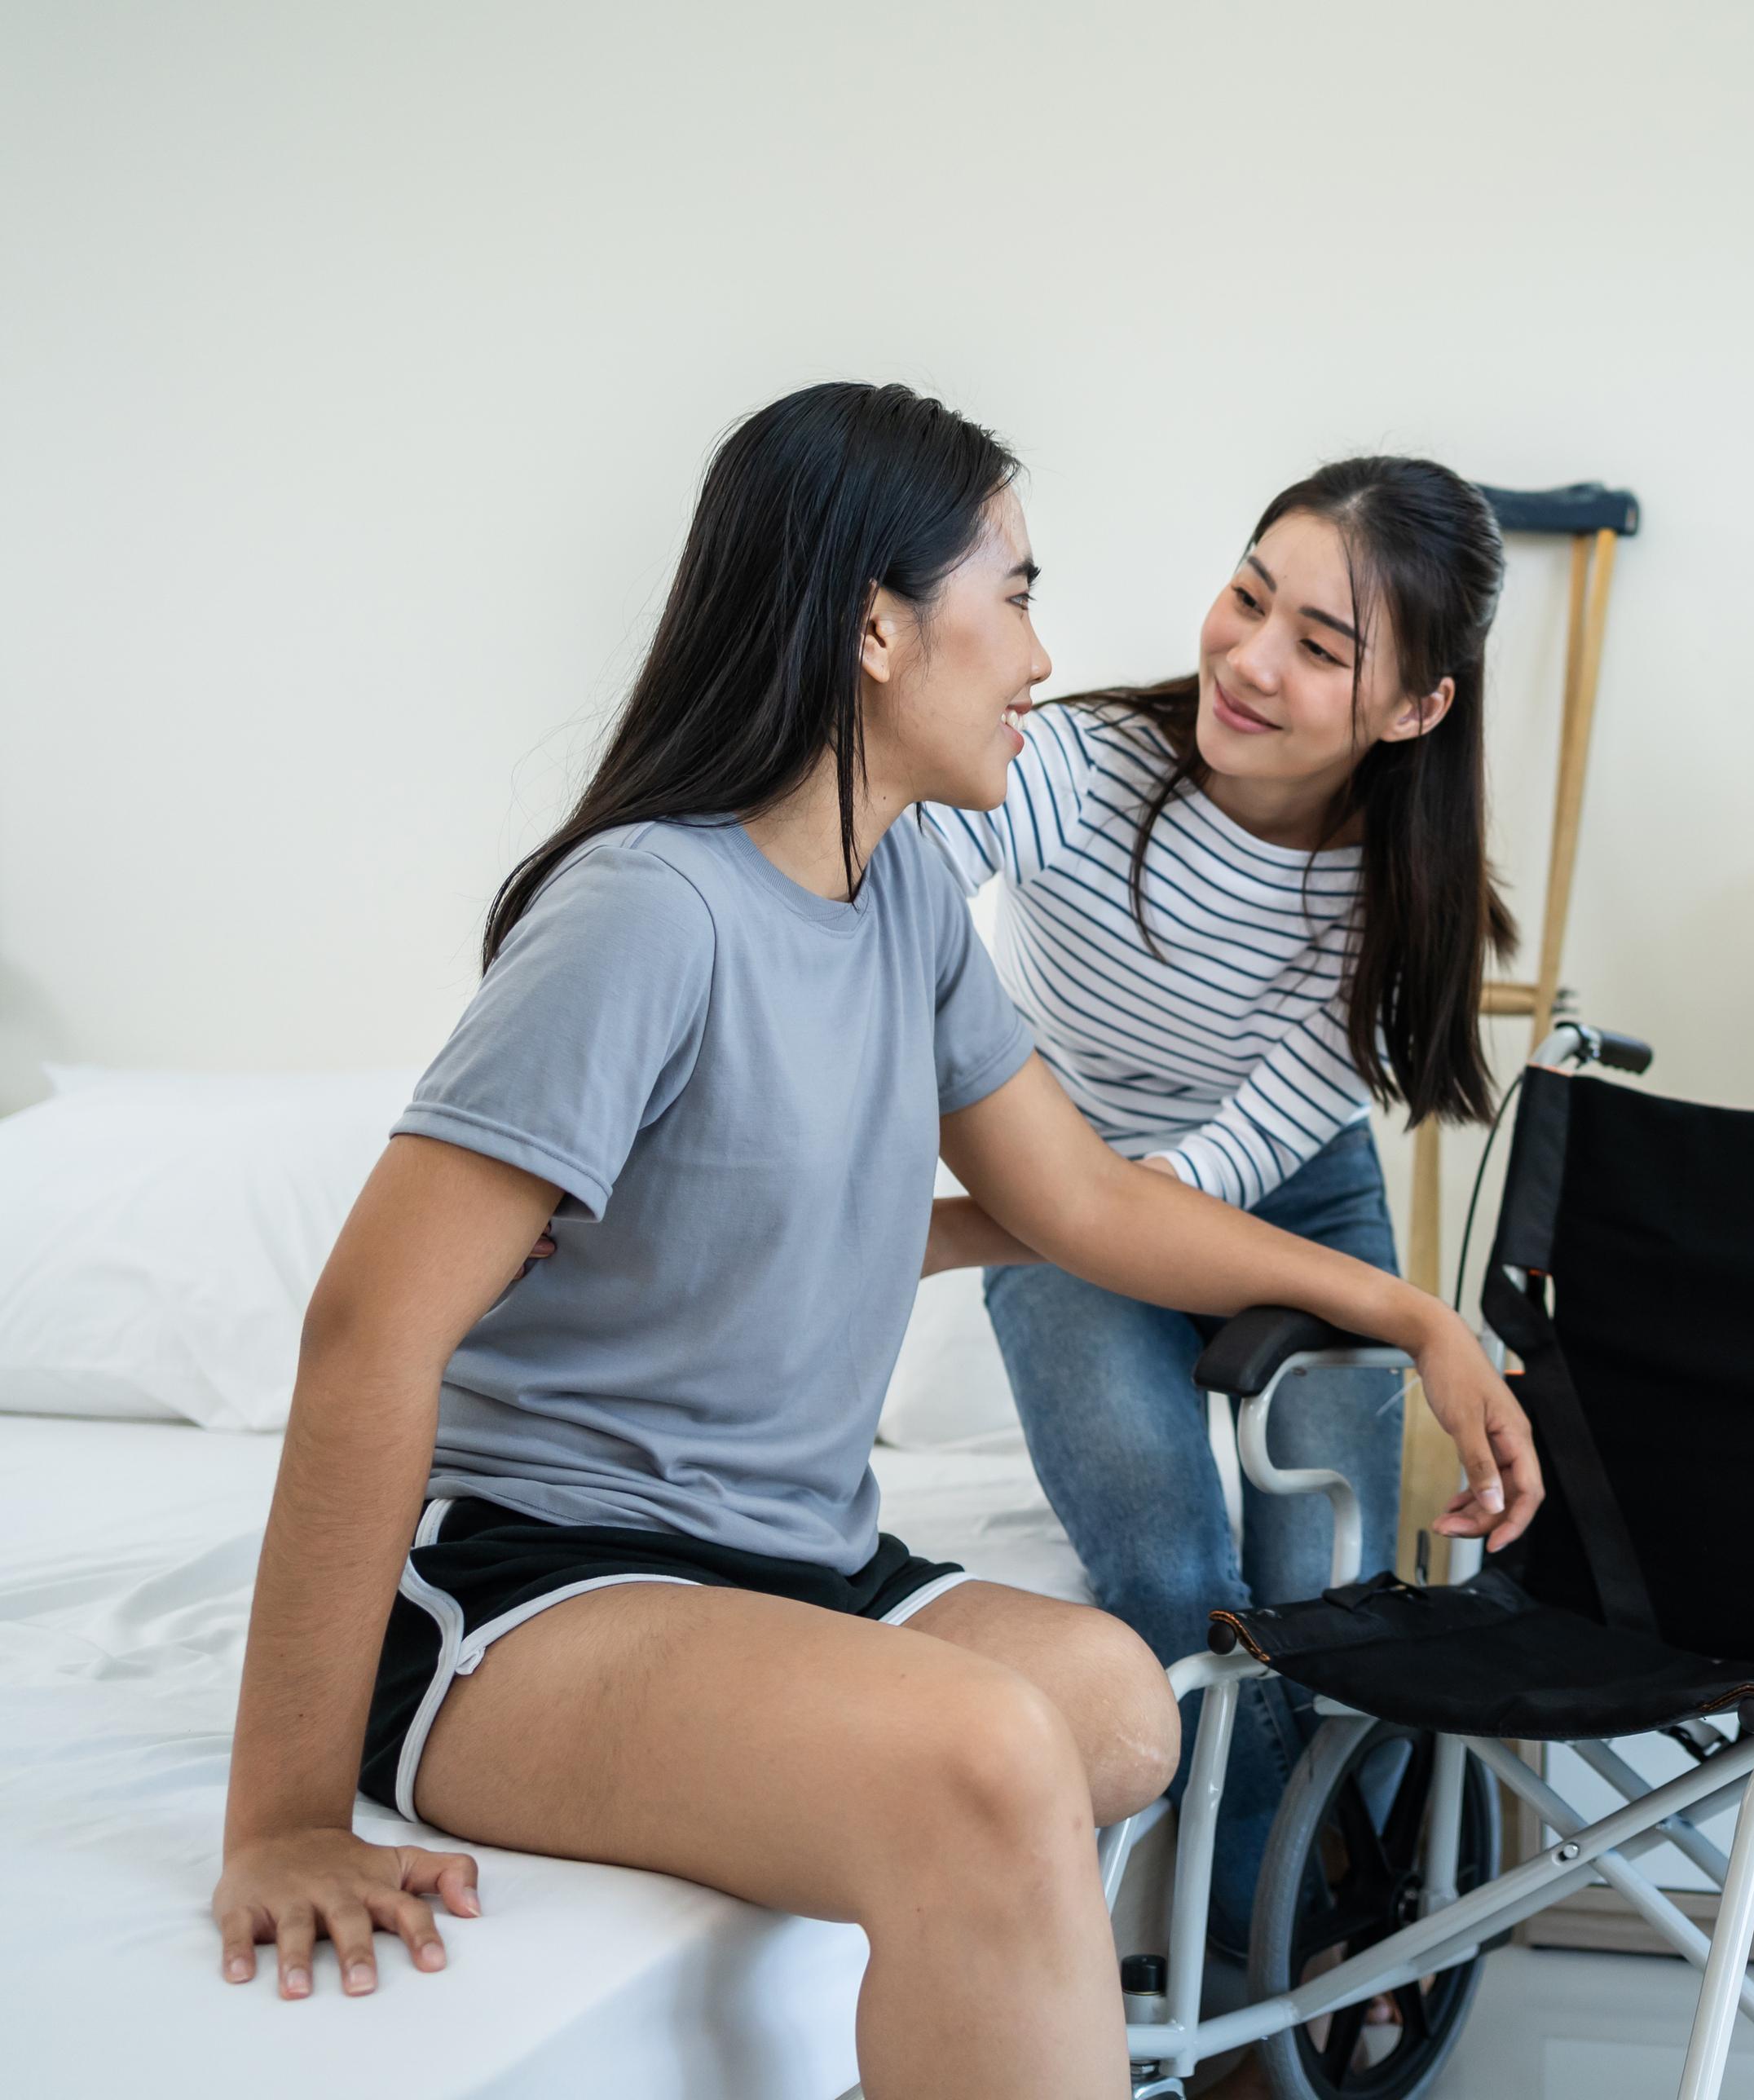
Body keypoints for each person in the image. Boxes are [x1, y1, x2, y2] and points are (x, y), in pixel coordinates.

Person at [207, 383, 1543, 2100]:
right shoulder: (648, 910)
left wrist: (1406, 1311)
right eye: (1020, 595)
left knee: (1124, 1703)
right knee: (986, 1748)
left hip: (789, 1557)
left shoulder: (902, 892)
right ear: (880, 630)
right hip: (538, 1576)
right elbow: (363, 1336)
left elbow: (1081, 1201)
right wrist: (285, 1818)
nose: (1049, 659)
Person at [915, 456, 1515, 1954]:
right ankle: (1274, 1943)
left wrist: (926, 1236)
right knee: (1172, 1575)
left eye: (1322, 647)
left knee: (1327, 1601)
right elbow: (883, 875)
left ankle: (1363, 1899)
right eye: (1250, 597)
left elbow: (1179, 1197)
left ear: (1415, 709)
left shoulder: (1401, 912)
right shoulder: (1075, 771)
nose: (1248, 660)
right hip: (1071, 1203)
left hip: (1267, 1207)